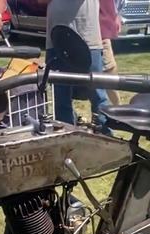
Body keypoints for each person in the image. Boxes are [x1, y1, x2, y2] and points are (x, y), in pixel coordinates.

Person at [45, 0, 113, 136]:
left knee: (98, 96)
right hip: (57, 40)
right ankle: (67, 139)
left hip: (88, 39)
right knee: (61, 98)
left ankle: (107, 139)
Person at [100, 0, 122, 106]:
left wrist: (115, 14)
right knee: (108, 72)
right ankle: (118, 108)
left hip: (102, 28)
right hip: (95, 28)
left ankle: (119, 108)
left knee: (109, 71)